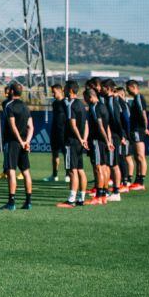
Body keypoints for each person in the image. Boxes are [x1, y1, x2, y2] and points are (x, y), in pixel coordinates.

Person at [1, 82, 34, 210]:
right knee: (26, 172)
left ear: (12, 92)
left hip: (13, 142)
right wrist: (27, 142)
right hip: (24, 142)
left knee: (11, 171)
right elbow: (31, 126)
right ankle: (28, 201)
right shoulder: (26, 107)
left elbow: (13, 126)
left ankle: (11, 202)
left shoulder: (9, 106)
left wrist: (21, 141)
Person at [58, 80, 89, 208]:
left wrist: (80, 138)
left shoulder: (71, 105)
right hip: (79, 142)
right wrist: (84, 139)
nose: (63, 90)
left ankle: (71, 200)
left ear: (70, 90)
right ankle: (81, 199)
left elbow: (73, 124)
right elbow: (86, 124)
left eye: (65, 88)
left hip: (71, 141)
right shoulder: (81, 104)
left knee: (72, 171)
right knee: (80, 170)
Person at [86, 87, 114, 205]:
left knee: (98, 168)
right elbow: (107, 126)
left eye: (85, 98)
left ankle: (98, 196)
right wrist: (109, 140)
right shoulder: (103, 106)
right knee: (104, 167)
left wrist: (107, 141)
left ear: (90, 97)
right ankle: (103, 195)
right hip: (104, 141)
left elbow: (101, 125)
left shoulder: (95, 107)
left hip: (97, 141)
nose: (85, 100)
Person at [101, 80, 126, 199]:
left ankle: (116, 192)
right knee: (107, 164)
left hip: (114, 136)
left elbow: (116, 119)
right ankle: (105, 191)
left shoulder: (112, 101)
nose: (101, 90)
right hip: (110, 135)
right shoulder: (108, 99)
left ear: (108, 88)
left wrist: (121, 136)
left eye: (103, 88)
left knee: (114, 164)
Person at [125, 80, 149, 190]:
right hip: (136, 130)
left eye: (127, 88)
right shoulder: (135, 99)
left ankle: (141, 182)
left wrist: (145, 128)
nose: (127, 90)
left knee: (140, 156)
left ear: (132, 87)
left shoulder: (139, 98)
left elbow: (143, 114)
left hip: (138, 130)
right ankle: (137, 180)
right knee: (137, 157)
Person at [44, 84, 66, 182]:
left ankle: (68, 175)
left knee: (66, 154)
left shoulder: (66, 103)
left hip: (64, 132)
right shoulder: (55, 103)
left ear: (60, 90)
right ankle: (54, 175)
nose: (52, 94)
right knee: (54, 154)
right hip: (55, 131)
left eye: (54, 92)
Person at [116, 85, 135, 190]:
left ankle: (127, 180)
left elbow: (127, 121)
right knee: (125, 156)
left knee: (126, 157)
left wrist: (126, 135)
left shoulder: (124, 105)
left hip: (126, 135)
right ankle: (126, 180)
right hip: (125, 134)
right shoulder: (123, 105)